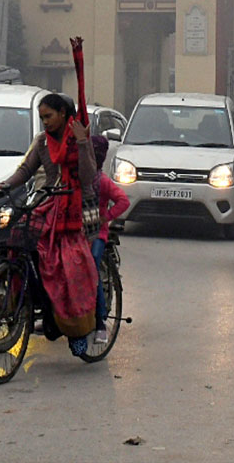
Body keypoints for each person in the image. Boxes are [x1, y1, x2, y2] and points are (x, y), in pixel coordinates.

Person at [0, 93, 100, 355]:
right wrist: (6, 184)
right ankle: (31, 300)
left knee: (68, 265)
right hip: (48, 204)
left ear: (63, 113)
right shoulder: (41, 142)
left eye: (48, 117)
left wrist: (84, 143)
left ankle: (77, 328)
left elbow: (88, 177)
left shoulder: (79, 139)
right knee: (18, 241)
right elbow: (25, 171)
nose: (44, 122)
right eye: (41, 118)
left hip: (77, 210)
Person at [88, 137, 131, 351]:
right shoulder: (76, 179)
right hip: (76, 231)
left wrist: (106, 217)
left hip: (98, 234)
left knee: (92, 266)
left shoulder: (102, 182)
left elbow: (123, 200)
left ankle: (100, 322)